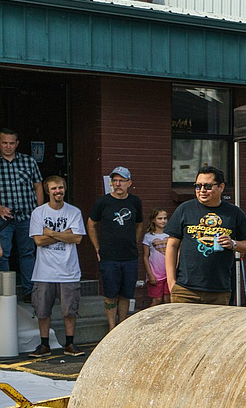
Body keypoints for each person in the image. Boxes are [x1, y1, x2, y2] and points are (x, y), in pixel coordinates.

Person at [164, 166, 246, 305]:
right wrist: (171, 282)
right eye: (198, 186)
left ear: (221, 187)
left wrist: (233, 244)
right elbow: (171, 245)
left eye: (207, 186)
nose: (202, 190)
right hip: (185, 290)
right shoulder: (185, 209)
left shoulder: (234, 213)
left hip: (219, 291)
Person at [28, 175, 85, 358]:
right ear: (47, 191)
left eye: (60, 188)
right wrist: (64, 233)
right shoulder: (38, 213)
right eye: (53, 189)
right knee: (43, 311)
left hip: (69, 271)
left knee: (70, 310)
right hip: (44, 272)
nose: (57, 191)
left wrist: (50, 233)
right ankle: (44, 345)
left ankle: (69, 344)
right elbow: (38, 241)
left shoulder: (74, 212)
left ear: (65, 189)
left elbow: (77, 238)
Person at [87, 166, 143, 331]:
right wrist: (97, 248)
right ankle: (112, 328)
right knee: (111, 295)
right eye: (115, 181)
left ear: (129, 183)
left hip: (130, 256)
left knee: (126, 294)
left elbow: (139, 224)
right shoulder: (103, 202)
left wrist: (134, 241)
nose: (118, 184)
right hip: (109, 257)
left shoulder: (135, 201)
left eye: (121, 181)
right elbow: (91, 224)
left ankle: (121, 327)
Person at [0, 127, 44, 297]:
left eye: (11, 143)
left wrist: (39, 211)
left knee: (28, 253)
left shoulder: (28, 161)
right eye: (4, 143)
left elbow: (38, 186)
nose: (8, 146)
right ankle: (5, 293)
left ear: (17, 144)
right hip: (4, 219)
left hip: (27, 216)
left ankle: (29, 292)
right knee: (3, 254)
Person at [141, 207, 170, 308]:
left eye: (165, 218)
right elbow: (145, 256)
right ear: (153, 220)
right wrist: (150, 274)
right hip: (155, 273)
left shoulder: (170, 234)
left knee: (168, 299)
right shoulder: (148, 236)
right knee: (157, 300)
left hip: (169, 273)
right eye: (160, 218)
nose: (163, 221)